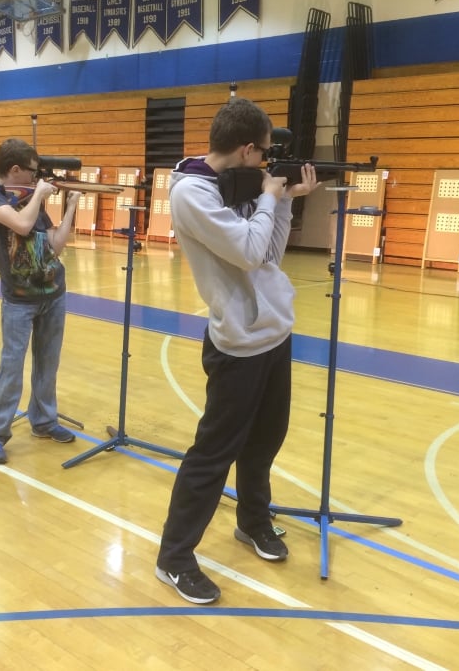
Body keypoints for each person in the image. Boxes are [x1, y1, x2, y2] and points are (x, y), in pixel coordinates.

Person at [155, 98, 320, 604]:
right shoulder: (192, 194)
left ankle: (252, 520)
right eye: (265, 155)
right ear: (247, 149)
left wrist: (286, 198)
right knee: (213, 454)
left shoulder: (245, 184)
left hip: (273, 332)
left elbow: (267, 253)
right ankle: (174, 557)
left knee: (266, 438)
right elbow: (247, 252)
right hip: (237, 343)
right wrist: (270, 197)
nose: (269, 163)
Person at [0, 138, 81, 465]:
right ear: (14, 169)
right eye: (32, 173)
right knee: (11, 367)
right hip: (18, 299)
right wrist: (40, 194)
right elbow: (19, 224)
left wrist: (71, 205)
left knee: (48, 363)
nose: (36, 179)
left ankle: (44, 421)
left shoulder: (33, 199)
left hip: (53, 293)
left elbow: (55, 246)